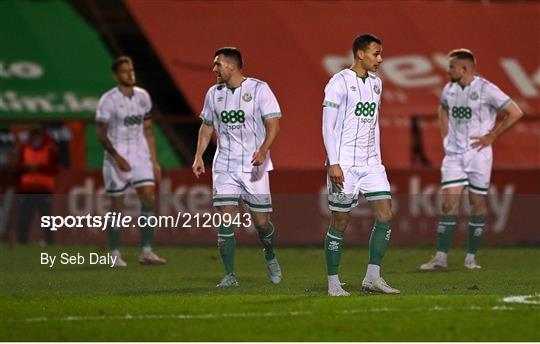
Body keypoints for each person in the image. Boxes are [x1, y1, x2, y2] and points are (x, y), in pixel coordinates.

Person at [419, 49, 523, 270]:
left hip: (478, 155)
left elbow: (515, 112)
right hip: (454, 155)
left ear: (464, 69)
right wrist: (445, 135)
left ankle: (470, 257)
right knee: (448, 204)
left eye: (452, 67)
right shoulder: (449, 89)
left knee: (477, 203)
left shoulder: (486, 89)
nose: (448, 71)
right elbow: (443, 110)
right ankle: (440, 258)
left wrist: (492, 135)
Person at [192, 47, 282, 287]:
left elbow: (273, 124)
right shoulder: (213, 93)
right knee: (224, 220)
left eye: (217, 64)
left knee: (262, 224)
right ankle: (230, 275)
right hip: (224, 166)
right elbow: (207, 126)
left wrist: (263, 150)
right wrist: (199, 155)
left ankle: (269, 253)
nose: (214, 69)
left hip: (254, 166)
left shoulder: (259, 89)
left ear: (231, 66)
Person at [322, 34, 399, 296]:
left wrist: (377, 159)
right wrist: (334, 163)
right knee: (340, 222)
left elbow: (373, 124)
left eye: (380, 53)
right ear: (360, 54)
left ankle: (372, 277)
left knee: (385, 216)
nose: (380, 59)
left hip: (371, 164)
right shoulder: (339, 82)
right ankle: (333, 283)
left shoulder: (377, 84)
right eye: (376, 53)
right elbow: (327, 126)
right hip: (345, 164)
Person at [96, 56, 166, 267]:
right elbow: (101, 134)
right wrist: (117, 157)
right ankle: (114, 253)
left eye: (132, 70)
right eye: (125, 71)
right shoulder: (107, 101)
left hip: (140, 155)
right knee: (117, 206)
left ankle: (146, 250)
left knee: (148, 199)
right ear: (116, 76)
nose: (130, 74)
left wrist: (154, 161)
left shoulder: (143, 97)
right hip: (117, 157)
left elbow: (148, 130)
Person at [17, 127, 59, 245]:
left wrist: (39, 167)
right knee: (24, 218)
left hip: (43, 190)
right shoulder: (25, 148)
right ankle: (22, 242)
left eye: (38, 137)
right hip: (27, 189)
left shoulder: (49, 149)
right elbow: (18, 167)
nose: (36, 140)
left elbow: (54, 168)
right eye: (34, 137)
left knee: (46, 219)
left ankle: (49, 242)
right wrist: (26, 167)